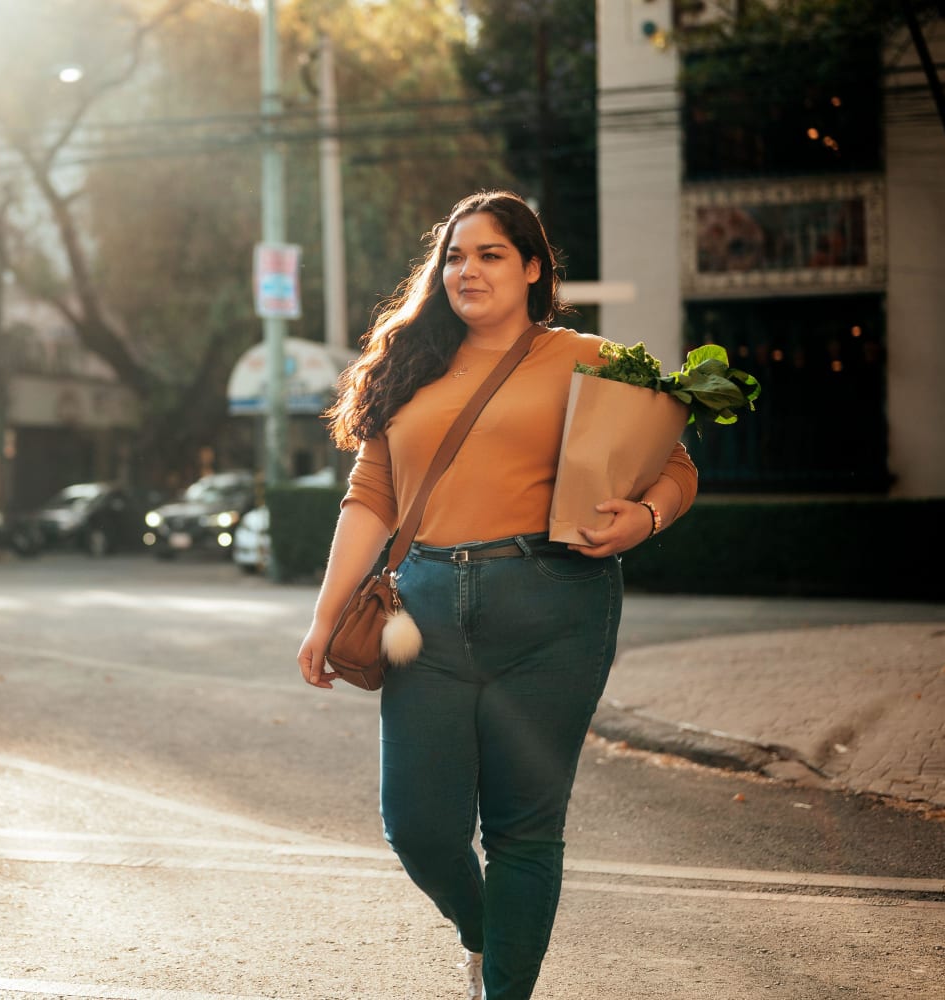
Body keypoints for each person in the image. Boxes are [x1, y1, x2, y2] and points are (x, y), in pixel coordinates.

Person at [296, 190, 698, 1000]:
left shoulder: (588, 356)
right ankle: (486, 934)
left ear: (533, 268)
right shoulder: (410, 365)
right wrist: (324, 617)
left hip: (556, 605)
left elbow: (674, 463)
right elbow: (369, 495)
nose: (466, 270)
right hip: (426, 612)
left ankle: (505, 988)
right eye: (454, 255)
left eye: (489, 255)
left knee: (524, 828)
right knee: (418, 828)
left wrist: (645, 517)